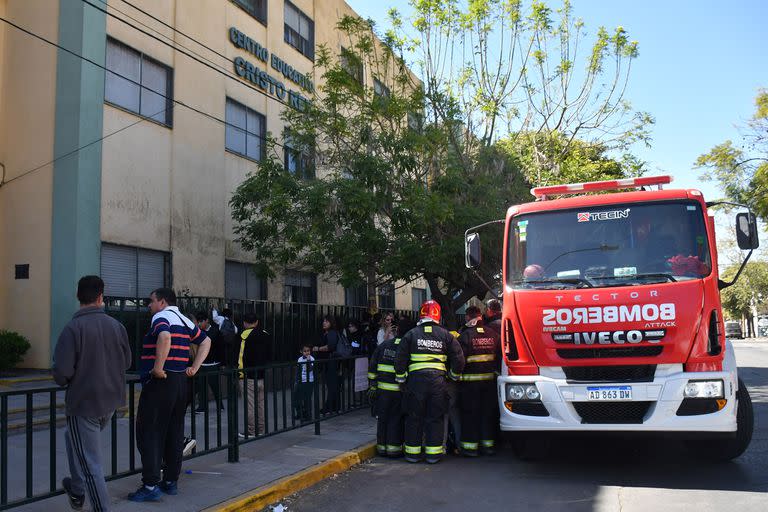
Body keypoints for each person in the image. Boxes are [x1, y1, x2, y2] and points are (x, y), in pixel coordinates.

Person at [52, 275, 131, 512]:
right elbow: (126, 362)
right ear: (101, 297)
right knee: (71, 438)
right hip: (110, 402)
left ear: (78, 297)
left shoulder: (73, 328)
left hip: (84, 403)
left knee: (90, 464)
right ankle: (76, 488)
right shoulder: (117, 326)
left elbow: (62, 372)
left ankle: (95, 504)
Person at [129, 288, 210, 502]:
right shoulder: (184, 319)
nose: (149, 305)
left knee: (150, 432)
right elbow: (205, 341)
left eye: (151, 301)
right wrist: (194, 367)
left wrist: (157, 367)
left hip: (161, 382)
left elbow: (164, 336)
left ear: (162, 302)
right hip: (180, 381)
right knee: (174, 432)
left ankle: (150, 485)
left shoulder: (161, 316)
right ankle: (171, 481)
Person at [395, 300, 464, 464]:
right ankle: (433, 455)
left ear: (421, 314)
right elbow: (459, 359)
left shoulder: (411, 334)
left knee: (414, 417)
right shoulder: (446, 335)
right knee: (435, 417)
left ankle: (412, 454)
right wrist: (453, 377)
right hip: (438, 383)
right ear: (438, 315)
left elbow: (400, 360)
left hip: (415, 383)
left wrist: (402, 379)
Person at [458, 306, 501, 456]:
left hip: (470, 385)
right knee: (487, 415)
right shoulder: (494, 334)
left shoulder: (465, 336)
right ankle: (488, 446)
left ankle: (470, 448)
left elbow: (459, 360)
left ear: (468, 318)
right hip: (490, 384)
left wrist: (455, 376)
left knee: (470, 415)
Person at [368, 318, 413, 457]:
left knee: (383, 419)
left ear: (397, 330)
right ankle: (393, 450)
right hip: (399, 391)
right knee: (396, 420)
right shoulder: (407, 348)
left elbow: (372, 368)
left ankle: (381, 448)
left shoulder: (383, 346)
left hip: (382, 391)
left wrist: (373, 386)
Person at [238, 313, 270, 437]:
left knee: (250, 405)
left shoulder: (244, 335)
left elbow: (240, 357)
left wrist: (240, 374)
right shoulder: (265, 334)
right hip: (261, 375)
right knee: (260, 404)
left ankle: (252, 431)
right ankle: (261, 429)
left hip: (248, 375)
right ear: (256, 322)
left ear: (245, 323)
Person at [192, 311, 223, 413]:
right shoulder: (198, 331)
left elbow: (220, 347)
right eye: (199, 322)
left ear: (207, 321)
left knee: (215, 386)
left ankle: (220, 405)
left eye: (202, 321)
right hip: (201, 363)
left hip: (213, 363)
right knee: (202, 387)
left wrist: (222, 363)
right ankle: (202, 407)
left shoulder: (215, 331)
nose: (200, 324)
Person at [313, 315, 340, 414]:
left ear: (331, 323)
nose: (324, 323)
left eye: (327, 321)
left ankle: (330, 407)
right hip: (328, 362)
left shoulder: (332, 333)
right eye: (323, 321)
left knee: (331, 385)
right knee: (331, 385)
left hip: (330, 362)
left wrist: (318, 349)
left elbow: (331, 346)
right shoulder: (327, 333)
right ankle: (334, 406)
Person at [294, 343, 315, 421]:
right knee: (297, 398)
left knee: (307, 399)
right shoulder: (300, 359)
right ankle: (300, 413)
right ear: (301, 352)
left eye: (308, 351)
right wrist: (296, 380)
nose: (307, 352)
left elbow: (310, 369)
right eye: (305, 351)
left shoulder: (312, 359)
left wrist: (308, 360)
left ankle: (308, 415)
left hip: (309, 381)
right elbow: (298, 371)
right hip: (300, 381)